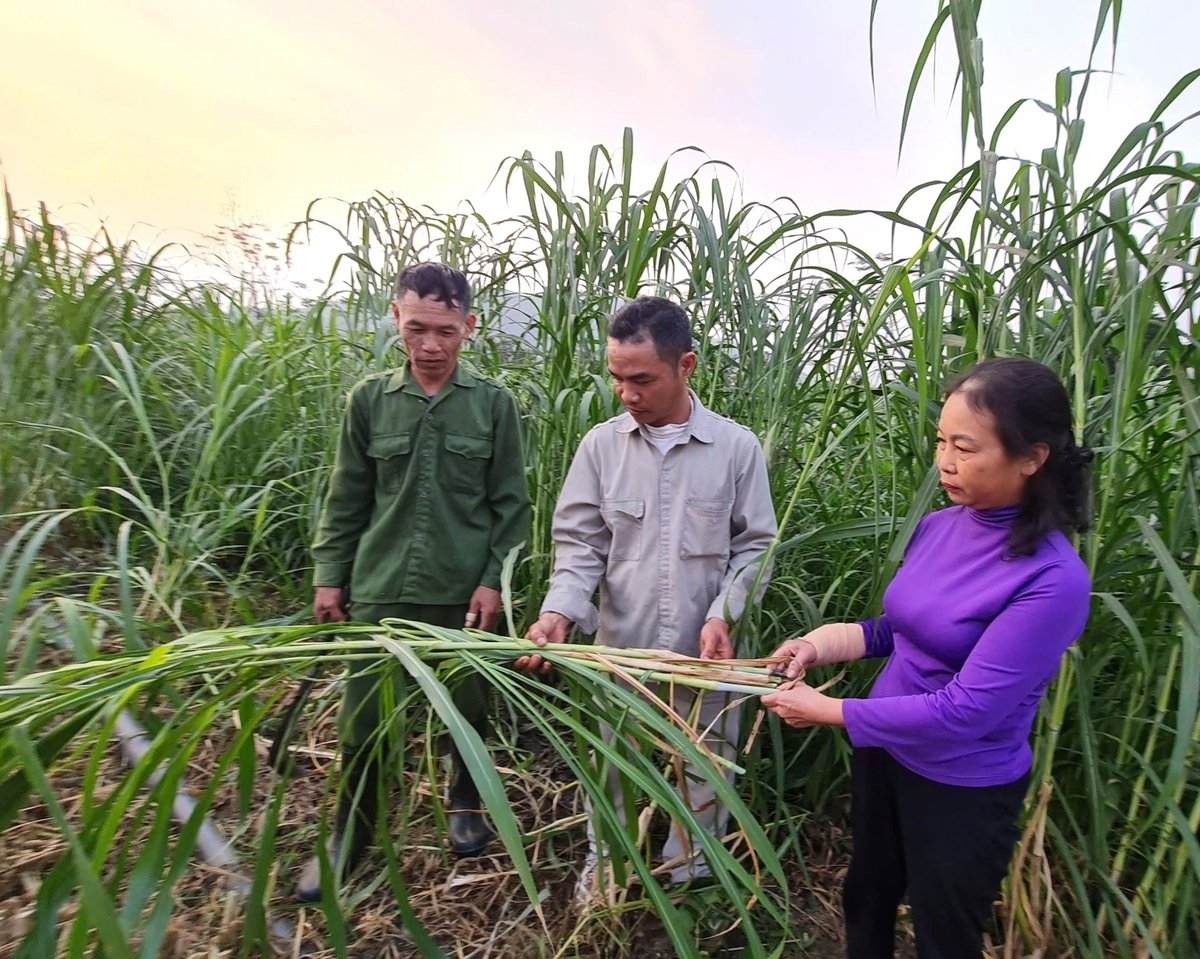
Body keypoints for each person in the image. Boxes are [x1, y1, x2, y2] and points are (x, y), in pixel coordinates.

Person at [762, 357, 1093, 959]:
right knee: (868, 894)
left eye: (965, 448)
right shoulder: (941, 525)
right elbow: (899, 629)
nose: (945, 462)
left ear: (1032, 457)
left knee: (945, 931)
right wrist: (817, 645)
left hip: (960, 787)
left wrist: (831, 711)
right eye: (941, 442)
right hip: (885, 754)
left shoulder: (1052, 579)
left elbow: (966, 711)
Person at [520, 295, 777, 900]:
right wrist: (559, 611)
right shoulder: (601, 449)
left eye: (642, 379)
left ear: (685, 366)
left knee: (706, 760)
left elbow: (757, 546)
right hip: (623, 651)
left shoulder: (735, 450)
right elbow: (580, 547)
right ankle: (607, 862)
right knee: (613, 760)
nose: (626, 393)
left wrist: (725, 613)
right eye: (616, 378)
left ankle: (688, 873)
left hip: (705, 652)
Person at [297, 262, 531, 902]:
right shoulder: (370, 401)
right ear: (396, 319)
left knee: (467, 708)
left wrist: (493, 582)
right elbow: (347, 496)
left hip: (464, 597)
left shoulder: (494, 406)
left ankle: (464, 800)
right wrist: (330, 576)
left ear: (469, 328)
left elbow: (512, 507)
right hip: (380, 589)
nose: (430, 346)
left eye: (446, 332)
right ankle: (352, 835)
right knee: (363, 721)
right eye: (418, 328)